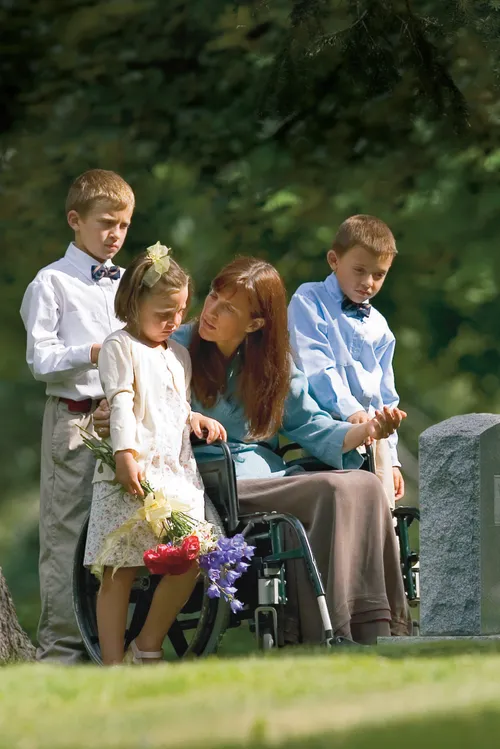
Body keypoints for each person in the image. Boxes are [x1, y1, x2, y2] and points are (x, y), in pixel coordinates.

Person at [95, 256, 410, 645]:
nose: (210, 310)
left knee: (362, 485)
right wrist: (112, 413)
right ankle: (331, 629)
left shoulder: (275, 365)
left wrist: (368, 429)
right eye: (212, 296)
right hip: (210, 477)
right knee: (337, 489)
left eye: (227, 308)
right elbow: (134, 395)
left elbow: (311, 425)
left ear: (255, 324)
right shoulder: (172, 344)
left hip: (270, 476)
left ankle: (377, 627)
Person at [84, 245, 226, 665]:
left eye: (181, 311)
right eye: (165, 312)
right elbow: (123, 400)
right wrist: (126, 454)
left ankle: (146, 644)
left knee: (195, 555)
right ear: (133, 303)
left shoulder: (177, 355)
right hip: (132, 472)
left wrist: (194, 417)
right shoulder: (120, 346)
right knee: (119, 568)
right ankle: (112, 663)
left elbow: (170, 406)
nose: (175, 321)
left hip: (175, 476)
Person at [20, 169, 135, 663]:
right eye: (106, 223)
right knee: (68, 534)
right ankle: (63, 650)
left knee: (125, 532)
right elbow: (39, 358)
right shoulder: (51, 283)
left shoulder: (130, 282)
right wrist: (93, 353)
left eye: (124, 225)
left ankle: (113, 645)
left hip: (126, 419)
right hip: (76, 419)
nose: (115, 234)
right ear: (75, 220)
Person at [288, 215, 403, 508]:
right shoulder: (308, 300)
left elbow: (386, 394)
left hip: (372, 446)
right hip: (321, 438)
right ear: (333, 260)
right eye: (359, 270)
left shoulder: (381, 327)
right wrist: (350, 410)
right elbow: (315, 366)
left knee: (382, 522)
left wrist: (392, 458)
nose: (368, 282)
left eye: (379, 275)